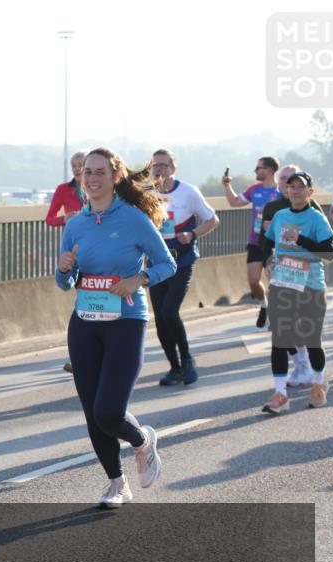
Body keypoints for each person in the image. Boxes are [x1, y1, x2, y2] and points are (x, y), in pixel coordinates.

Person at [56, 148, 176, 508]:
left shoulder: (133, 219)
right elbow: (65, 283)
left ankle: (142, 442)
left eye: (100, 172)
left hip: (125, 321)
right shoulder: (75, 223)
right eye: (86, 172)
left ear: (116, 177)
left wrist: (139, 278)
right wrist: (64, 269)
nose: (92, 179)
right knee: (92, 411)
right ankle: (117, 484)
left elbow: (166, 264)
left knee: (108, 411)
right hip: (85, 322)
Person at [260, 170, 333, 413]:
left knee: (312, 340)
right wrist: (268, 261)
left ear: (310, 192)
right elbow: (267, 241)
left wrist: (301, 240)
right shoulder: (280, 216)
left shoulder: (316, 218)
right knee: (279, 339)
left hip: (310, 285)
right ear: (286, 190)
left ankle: (318, 383)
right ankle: (280, 394)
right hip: (283, 284)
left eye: (301, 187)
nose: (295, 190)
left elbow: (329, 252)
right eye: (291, 186)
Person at [150, 149, 219, 386]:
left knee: (170, 311)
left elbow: (212, 219)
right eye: (155, 165)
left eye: (163, 165)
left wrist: (192, 234)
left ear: (173, 168)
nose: (159, 169)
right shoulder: (147, 194)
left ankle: (187, 358)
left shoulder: (188, 192)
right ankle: (175, 367)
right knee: (160, 318)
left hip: (182, 260)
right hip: (157, 262)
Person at [222, 157, 281, 328]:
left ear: (269, 170)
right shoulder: (254, 189)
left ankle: (276, 315)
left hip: (275, 244)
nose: (255, 171)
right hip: (256, 242)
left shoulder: (281, 191)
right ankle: (264, 305)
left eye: (258, 168)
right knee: (254, 281)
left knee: (273, 280)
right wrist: (227, 186)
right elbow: (234, 202)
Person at [46, 151, 87, 373]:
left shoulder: (100, 189)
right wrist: (65, 218)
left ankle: (84, 354)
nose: (78, 169)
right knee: (82, 297)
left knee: (92, 299)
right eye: (74, 165)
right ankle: (78, 355)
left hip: (99, 247)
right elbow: (49, 218)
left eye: (81, 165)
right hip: (73, 250)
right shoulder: (64, 189)